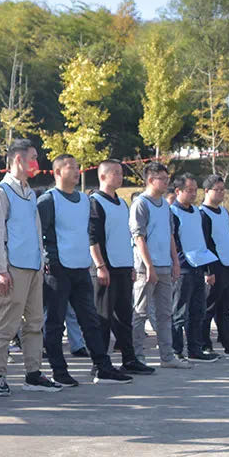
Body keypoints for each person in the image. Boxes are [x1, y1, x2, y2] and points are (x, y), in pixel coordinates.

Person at [38, 154, 133, 386]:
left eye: (77, 167)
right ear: (57, 172)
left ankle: (102, 367)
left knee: (91, 321)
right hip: (58, 269)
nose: (76, 171)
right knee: (55, 322)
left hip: (81, 268)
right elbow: (38, 234)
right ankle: (59, 371)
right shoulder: (48, 200)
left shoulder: (84, 200)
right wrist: (47, 261)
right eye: (70, 167)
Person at [0, 138, 62, 394]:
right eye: (33, 158)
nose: (37, 163)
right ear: (18, 159)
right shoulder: (0, 192)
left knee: (34, 323)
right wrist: (0, 269)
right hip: (12, 268)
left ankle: (33, 373)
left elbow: (36, 230)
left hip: (33, 266)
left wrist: (41, 260)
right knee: (6, 324)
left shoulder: (30, 193)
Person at [89, 160, 154, 375]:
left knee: (124, 318)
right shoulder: (95, 202)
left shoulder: (122, 203)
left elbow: (125, 236)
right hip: (106, 268)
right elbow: (93, 238)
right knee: (103, 318)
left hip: (123, 267)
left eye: (120, 173)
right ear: (103, 176)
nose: (120, 176)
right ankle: (100, 364)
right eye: (115, 173)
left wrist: (131, 265)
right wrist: (100, 266)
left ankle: (129, 359)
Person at [131, 162, 188, 369]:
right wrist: (149, 266)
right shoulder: (141, 204)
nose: (166, 183)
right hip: (146, 268)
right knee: (140, 312)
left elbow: (170, 234)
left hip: (165, 265)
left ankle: (167, 356)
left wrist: (175, 261)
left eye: (167, 179)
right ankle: (137, 357)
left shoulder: (165, 205)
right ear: (150, 180)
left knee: (165, 314)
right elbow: (139, 237)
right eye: (162, 179)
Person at [168, 173, 220, 363]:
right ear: (178, 191)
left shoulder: (198, 213)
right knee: (179, 312)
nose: (193, 194)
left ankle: (195, 349)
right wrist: (177, 263)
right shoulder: (172, 212)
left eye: (194, 190)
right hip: (182, 268)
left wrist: (208, 270)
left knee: (198, 311)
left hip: (198, 266)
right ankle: (175, 350)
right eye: (189, 190)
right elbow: (172, 241)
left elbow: (203, 241)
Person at [198, 175, 229, 357]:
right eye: (217, 190)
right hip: (214, 265)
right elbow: (205, 243)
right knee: (209, 308)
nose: (221, 193)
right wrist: (208, 270)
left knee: (225, 308)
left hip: (228, 264)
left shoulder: (224, 212)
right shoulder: (202, 214)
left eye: (222, 189)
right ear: (206, 191)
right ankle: (204, 344)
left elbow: (227, 237)